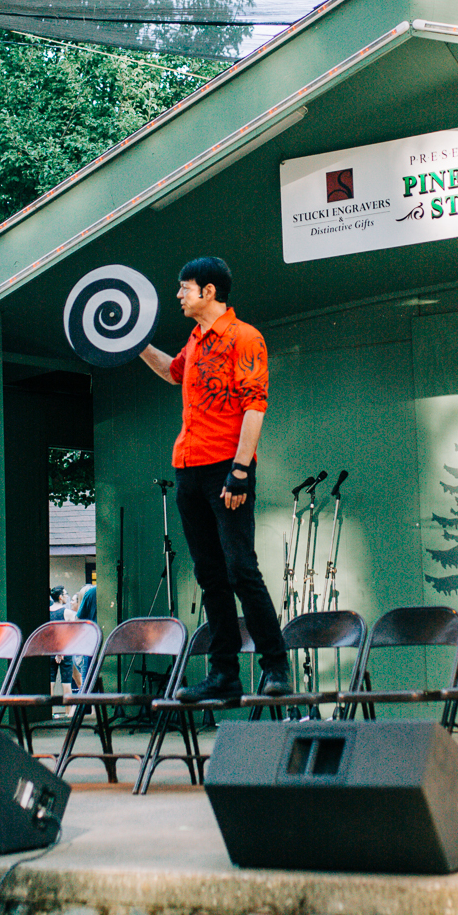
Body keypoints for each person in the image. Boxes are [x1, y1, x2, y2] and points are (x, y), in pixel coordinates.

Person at [137, 256, 290, 703]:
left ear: (208, 292)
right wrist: (137, 345)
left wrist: (240, 471)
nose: (179, 295)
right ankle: (224, 674)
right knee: (210, 574)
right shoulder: (197, 338)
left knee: (240, 567)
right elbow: (173, 372)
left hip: (227, 467)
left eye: (185, 288)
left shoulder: (245, 337)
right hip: (188, 468)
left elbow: (255, 406)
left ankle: (275, 666)